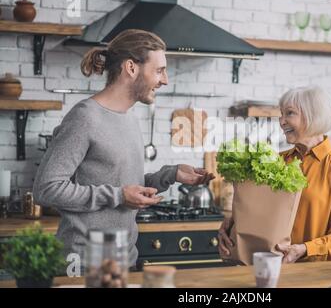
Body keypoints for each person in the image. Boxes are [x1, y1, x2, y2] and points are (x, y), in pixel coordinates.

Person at [33, 29, 214, 267]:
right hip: (84, 260)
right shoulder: (85, 118)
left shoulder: (129, 118)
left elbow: (125, 185)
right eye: (159, 70)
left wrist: (170, 174)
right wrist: (118, 196)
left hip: (123, 256)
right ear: (131, 67)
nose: (165, 80)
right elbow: (46, 189)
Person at [218, 86, 331, 263]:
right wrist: (232, 223)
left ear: (313, 115)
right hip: (270, 265)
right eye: (281, 114)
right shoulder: (277, 160)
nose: (281, 121)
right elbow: (259, 212)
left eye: (289, 113)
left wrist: (304, 249)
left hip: (311, 274)